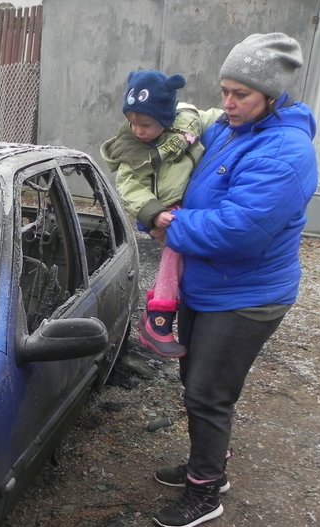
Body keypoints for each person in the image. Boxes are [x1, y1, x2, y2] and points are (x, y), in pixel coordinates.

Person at [151, 32, 319, 527]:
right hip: (208, 284)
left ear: (271, 95)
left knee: (208, 390)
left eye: (240, 94)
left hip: (247, 294)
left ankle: (204, 491)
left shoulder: (285, 153)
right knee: (195, 382)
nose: (227, 103)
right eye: (224, 91)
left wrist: (167, 223)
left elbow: (239, 230)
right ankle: (210, 464)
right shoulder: (231, 128)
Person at [101, 69, 210, 359]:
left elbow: (215, 119)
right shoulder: (132, 150)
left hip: (191, 206)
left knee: (181, 264)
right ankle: (158, 320)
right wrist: (153, 212)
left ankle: (159, 314)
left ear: (165, 118)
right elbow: (129, 186)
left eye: (145, 124)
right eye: (132, 122)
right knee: (175, 252)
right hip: (164, 211)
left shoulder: (188, 122)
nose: (137, 130)